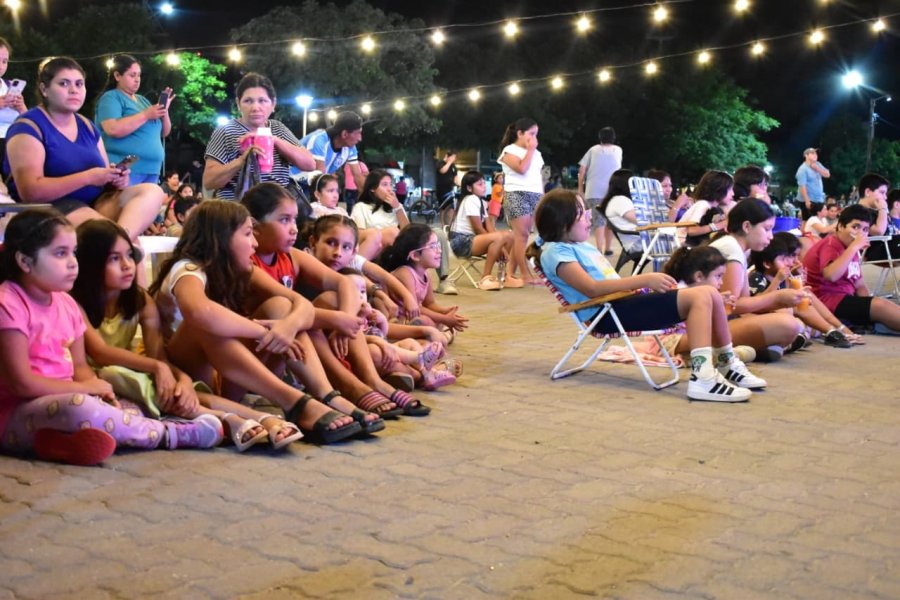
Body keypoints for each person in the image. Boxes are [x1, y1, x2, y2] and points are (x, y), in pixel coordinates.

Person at [0, 208, 223, 466]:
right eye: (60, 253)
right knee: (78, 407)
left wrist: (101, 395)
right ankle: (169, 434)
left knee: (125, 406)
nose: (73, 262)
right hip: (14, 413)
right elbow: (22, 384)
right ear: (25, 261)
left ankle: (56, 444)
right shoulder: (8, 304)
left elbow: (80, 368)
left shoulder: (66, 303)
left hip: (60, 403)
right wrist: (85, 390)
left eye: (73, 252)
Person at [71, 219, 303, 451]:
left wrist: (182, 379)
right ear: (91, 264)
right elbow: (101, 353)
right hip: (99, 377)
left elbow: (159, 356)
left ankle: (261, 418)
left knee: (180, 390)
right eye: (114, 259)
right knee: (114, 374)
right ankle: (229, 419)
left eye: (130, 256)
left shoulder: (140, 300)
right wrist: (157, 368)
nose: (127, 265)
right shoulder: (75, 303)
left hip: (135, 371)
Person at [147, 200, 362, 443]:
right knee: (204, 325)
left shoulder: (241, 270)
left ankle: (326, 395)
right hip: (186, 377)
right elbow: (199, 312)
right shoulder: (187, 269)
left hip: (231, 375)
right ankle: (295, 402)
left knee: (281, 307)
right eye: (248, 234)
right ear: (222, 238)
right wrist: (262, 331)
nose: (255, 243)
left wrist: (287, 326)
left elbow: (299, 302)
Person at [526, 189, 765, 402]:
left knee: (710, 293)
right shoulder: (555, 253)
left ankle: (726, 363)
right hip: (608, 314)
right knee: (702, 296)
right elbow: (591, 289)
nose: (589, 217)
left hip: (622, 305)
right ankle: (703, 379)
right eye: (581, 214)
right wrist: (645, 279)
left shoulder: (579, 246)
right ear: (562, 222)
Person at [243, 184, 427, 417]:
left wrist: (345, 321)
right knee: (285, 308)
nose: (293, 229)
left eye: (294, 220)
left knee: (332, 300)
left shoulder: (290, 256)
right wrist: (339, 320)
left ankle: (371, 381)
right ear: (255, 227)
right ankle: (342, 388)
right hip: (256, 355)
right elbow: (293, 303)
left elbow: (344, 283)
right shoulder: (247, 263)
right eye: (284, 220)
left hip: (288, 345)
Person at [3, 57, 165, 241]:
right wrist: (88, 177)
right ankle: (118, 243)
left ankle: (120, 242)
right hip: (51, 208)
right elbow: (31, 191)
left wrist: (115, 178)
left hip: (96, 203)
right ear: (44, 89)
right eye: (64, 83)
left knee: (153, 191)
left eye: (79, 84)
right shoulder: (28, 126)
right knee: (117, 241)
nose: (74, 90)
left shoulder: (87, 126)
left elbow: (104, 178)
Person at [710, 198, 807, 361]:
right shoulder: (731, 249)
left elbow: (743, 301)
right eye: (767, 229)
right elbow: (729, 306)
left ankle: (761, 347)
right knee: (788, 324)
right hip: (701, 325)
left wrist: (780, 301)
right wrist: (776, 298)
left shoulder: (736, 249)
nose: (771, 237)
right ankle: (755, 347)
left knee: (789, 319)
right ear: (747, 226)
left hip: (717, 320)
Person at [203, 72, 315, 200]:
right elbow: (209, 181)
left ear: (273, 104)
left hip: (277, 206)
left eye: (262, 101)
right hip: (238, 208)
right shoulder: (225, 131)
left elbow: (310, 164)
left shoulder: (278, 128)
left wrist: (273, 140)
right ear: (238, 103)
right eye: (248, 101)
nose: (255, 107)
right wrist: (242, 161)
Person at [748, 232, 859, 347]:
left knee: (802, 301)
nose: (792, 262)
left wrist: (795, 283)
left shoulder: (780, 275)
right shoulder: (757, 276)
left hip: (782, 316)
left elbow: (786, 294)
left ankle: (832, 331)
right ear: (767, 263)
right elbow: (759, 302)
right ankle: (806, 335)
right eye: (786, 258)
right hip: (763, 316)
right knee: (790, 309)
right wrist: (778, 281)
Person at [803, 204, 900, 334]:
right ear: (840, 226)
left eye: (865, 229)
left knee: (880, 307)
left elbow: (859, 284)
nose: (860, 233)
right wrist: (854, 247)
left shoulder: (849, 247)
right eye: (855, 227)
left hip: (844, 299)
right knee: (879, 306)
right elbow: (830, 275)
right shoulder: (831, 244)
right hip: (824, 301)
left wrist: (867, 303)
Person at [95, 55, 173, 186]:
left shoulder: (143, 100)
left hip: (152, 169)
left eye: (139, 75)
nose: (137, 80)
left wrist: (163, 111)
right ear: (117, 76)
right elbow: (113, 129)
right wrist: (146, 115)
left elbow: (164, 132)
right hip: (127, 169)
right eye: (132, 75)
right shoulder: (111, 97)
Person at [380, 224, 469, 336]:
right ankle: (436, 335)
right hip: (400, 319)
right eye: (432, 246)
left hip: (415, 316)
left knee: (436, 323)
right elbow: (415, 308)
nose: (439, 250)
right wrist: (444, 318)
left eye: (438, 245)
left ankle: (435, 335)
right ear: (415, 255)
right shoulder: (405, 274)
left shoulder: (426, 274)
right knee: (427, 321)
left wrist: (444, 311)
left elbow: (430, 304)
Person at [449, 170, 513, 290]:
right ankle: (485, 278)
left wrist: (502, 245)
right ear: (469, 188)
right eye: (479, 184)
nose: (484, 187)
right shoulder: (471, 199)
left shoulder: (481, 201)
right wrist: (500, 245)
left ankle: (503, 276)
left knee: (509, 235)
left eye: (484, 183)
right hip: (461, 242)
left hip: (472, 240)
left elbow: (489, 227)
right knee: (499, 238)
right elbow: (478, 228)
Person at [498, 118, 544, 286]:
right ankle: (525, 275)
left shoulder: (537, 154)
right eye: (531, 134)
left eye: (536, 134)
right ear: (520, 133)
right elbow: (522, 169)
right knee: (522, 235)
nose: (534, 138)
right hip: (516, 193)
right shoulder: (509, 150)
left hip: (535, 194)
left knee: (523, 236)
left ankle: (510, 274)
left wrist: (543, 196)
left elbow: (538, 177)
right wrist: (530, 150)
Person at [578, 126, 622, 256]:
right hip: (612, 191)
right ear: (613, 137)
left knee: (598, 220)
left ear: (600, 137)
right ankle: (608, 248)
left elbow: (582, 170)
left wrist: (580, 188)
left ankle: (598, 249)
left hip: (594, 190)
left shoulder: (593, 150)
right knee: (610, 220)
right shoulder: (618, 150)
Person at [300, 111, 365, 190]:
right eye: (358, 133)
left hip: (312, 182)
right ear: (344, 134)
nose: (360, 138)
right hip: (293, 181)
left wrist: (366, 196)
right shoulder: (319, 141)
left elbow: (358, 176)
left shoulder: (351, 148)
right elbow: (320, 178)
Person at [677, 170, 735, 248]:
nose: (733, 194)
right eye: (730, 189)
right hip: (683, 247)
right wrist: (720, 225)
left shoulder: (713, 207)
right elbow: (691, 231)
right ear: (719, 189)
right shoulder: (702, 204)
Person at [598, 169, 641, 255]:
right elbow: (641, 220)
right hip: (637, 243)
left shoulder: (616, 200)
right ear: (626, 184)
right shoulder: (620, 200)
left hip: (639, 241)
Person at [0, 37, 27, 165]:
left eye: (4, 61)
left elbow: (27, 120)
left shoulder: (9, 86)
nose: (1, 66)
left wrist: (21, 108)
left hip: (13, 142)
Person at [796, 148, 830, 221]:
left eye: (816, 153)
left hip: (818, 199)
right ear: (806, 155)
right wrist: (807, 201)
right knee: (808, 220)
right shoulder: (802, 169)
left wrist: (817, 168)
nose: (815, 155)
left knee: (819, 219)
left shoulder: (817, 164)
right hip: (808, 200)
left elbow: (827, 174)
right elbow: (802, 186)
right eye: (812, 153)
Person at [435, 150, 458, 225]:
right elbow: (443, 171)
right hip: (441, 188)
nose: (454, 159)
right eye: (452, 157)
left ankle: (450, 224)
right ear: (447, 156)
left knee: (451, 207)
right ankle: (442, 224)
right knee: (443, 207)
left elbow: (456, 177)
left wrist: (457, 183)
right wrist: (449, 162)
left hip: (450, 189)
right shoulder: (440, 163)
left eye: (454, 158)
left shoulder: (453, 166)